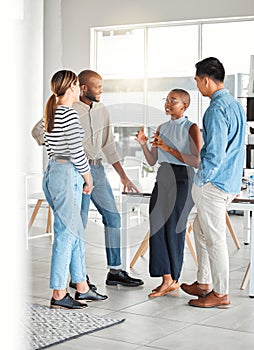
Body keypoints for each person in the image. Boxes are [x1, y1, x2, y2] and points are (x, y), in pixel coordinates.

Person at [180, 57, 246, 308]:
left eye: (197, 81)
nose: (197, 85)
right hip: (228, 181)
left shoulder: (216, 109)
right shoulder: (235, 105)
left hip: (214, 184)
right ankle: (204, 282)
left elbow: (215, 153)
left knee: (215, 238)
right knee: (200, 229)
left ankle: (220, 293)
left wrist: (202, 180)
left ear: (206, 79)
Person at [70, 69, 144, 288]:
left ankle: (115, 271)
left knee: (113, 218)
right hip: (76, 172)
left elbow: (109, 146)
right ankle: (78, 276)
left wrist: (123, 177)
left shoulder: (102, 110)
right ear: (84, 88)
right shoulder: (68, 107)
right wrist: (65, 154)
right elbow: (40, 131)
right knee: (78, 224)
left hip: (98, 171)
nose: (101, 90)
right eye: (98, 86)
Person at [42, 70, 108, 309]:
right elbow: (77, 153)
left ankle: (81, 286)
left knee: (76, 230)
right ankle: (59, 293)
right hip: (68, 175)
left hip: (54, 172)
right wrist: (88, 179)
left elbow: (50, 144)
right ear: (72, 88)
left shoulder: (50, 113)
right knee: (67, 234)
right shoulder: (68, 114)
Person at [136, 89, 202, 298]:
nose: (168, 103)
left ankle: (174, 277)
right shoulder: (162, 127)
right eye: (167, 99)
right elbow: (152, 160)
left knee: (174, 226)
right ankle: (166, 279)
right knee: (157, 224)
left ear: (184, 105)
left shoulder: (191, 128)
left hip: (183, 177)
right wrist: (143, 144)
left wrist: (169, 148)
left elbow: (197, 160)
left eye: (173, 100)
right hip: (163, 175)